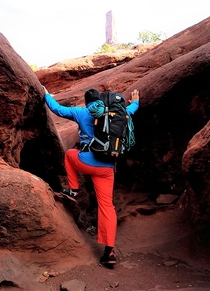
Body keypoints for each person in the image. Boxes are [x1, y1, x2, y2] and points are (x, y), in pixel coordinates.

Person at [43, 86, 140, 266]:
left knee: (69, 154)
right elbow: (131, 111)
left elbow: (57, 109)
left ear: (87, 102)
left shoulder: (82, 112)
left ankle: (73, 190)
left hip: (87, 162)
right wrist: (135, 101)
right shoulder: (116, 112)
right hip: (107, 168)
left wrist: (46, 94)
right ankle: (110, 252)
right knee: (107, 206)